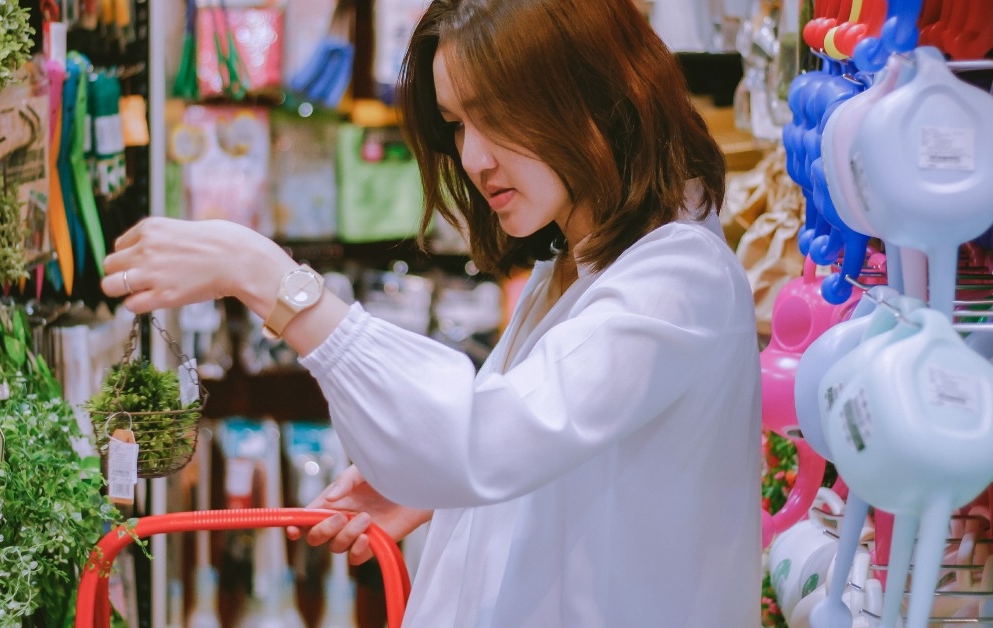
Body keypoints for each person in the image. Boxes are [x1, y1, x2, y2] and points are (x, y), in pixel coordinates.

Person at [102, 0, 762, 624]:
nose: (473, 159)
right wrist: (435, 483)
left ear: (584, 91)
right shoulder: (572, 265)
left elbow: (478, 439)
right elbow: (532, 445)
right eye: (456, 124)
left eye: (493, 114)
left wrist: (264, 276)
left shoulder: (678, 278)